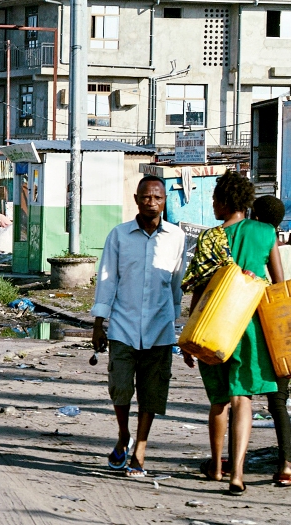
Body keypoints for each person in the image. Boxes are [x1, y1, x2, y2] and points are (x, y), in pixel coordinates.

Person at [181, 171, 284, 496]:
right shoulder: (266, 232)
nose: (212, 203)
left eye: (214, 198)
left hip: (213, 326)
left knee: (219, 402)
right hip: (251, 326)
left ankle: (215, 465)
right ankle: (236, 474)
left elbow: (198, 292)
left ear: (226, 202)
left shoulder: (210, 239)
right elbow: (279, 287)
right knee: (243, 399)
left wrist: (188, 337)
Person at [91, 175, 187, 478]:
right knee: (120, 388)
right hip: (122, 325)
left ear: (164, 201)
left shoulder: (176, 237)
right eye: (146, 197)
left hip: (160, 328)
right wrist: (98, 323)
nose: (151, 202)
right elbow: (107, 279)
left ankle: (140, 449)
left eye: (157, 197)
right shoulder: (119, 236)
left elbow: (176, 284)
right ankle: (123, 435)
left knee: (152, 391)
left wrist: (175, 325)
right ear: (136, 199)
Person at [251, 195, 291, 487]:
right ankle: (286, 463)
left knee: (240, 397)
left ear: (254, 217)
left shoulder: (252, 242)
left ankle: (233, 461)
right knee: (278, 403)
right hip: (282, 327)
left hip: (256, 324)